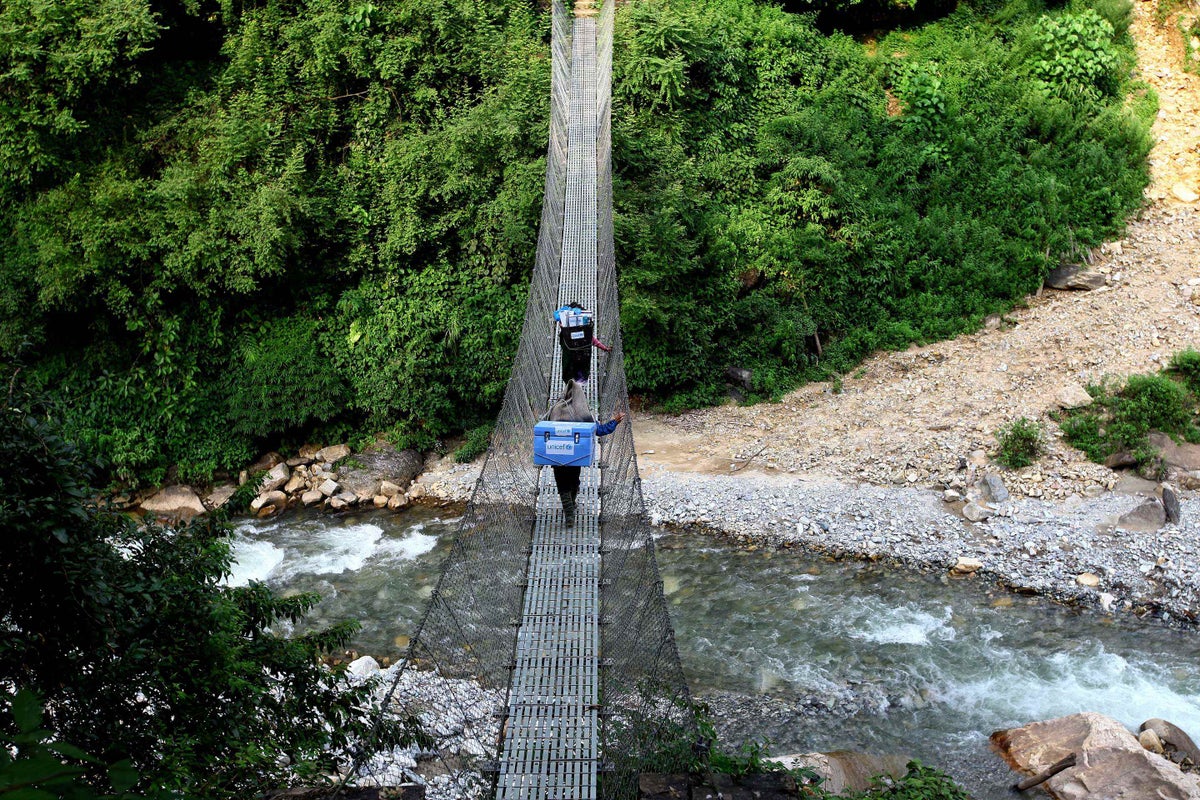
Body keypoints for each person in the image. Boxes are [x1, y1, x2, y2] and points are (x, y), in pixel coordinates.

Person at [545, 379, 626, 524]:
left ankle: (569, 514)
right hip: (575, 456)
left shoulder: (554, 410)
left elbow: (543, 430)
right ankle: (571, 505)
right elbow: (599, 430)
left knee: (562, 484)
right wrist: (614, 421)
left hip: (557, 457)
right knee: (574, 481)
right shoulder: (581, 413)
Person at [554, 302, 612, 385]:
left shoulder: (566, 334)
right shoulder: (585, 333)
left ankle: (570, 391)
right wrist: (605, 348)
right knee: (578, 381)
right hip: (582, 363)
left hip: (569, 365)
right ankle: (576, 391)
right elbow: (593, 341)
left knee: (570, 380)